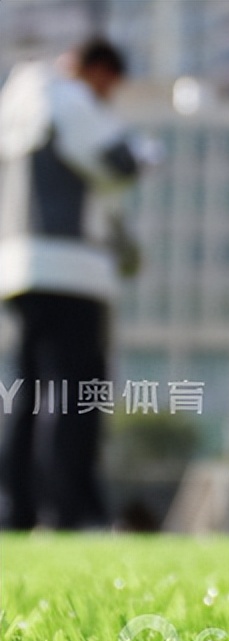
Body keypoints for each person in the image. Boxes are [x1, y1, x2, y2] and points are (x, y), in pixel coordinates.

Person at [0, 37, 143, 530]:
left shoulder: (15, 102)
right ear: (96, 71)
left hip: (20, 269)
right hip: (71, 271)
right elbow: (118, 164)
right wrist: (146, 154)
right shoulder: (68, 98)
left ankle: (19, 509)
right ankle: (66, 510)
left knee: (28, 393)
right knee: (77, 393)